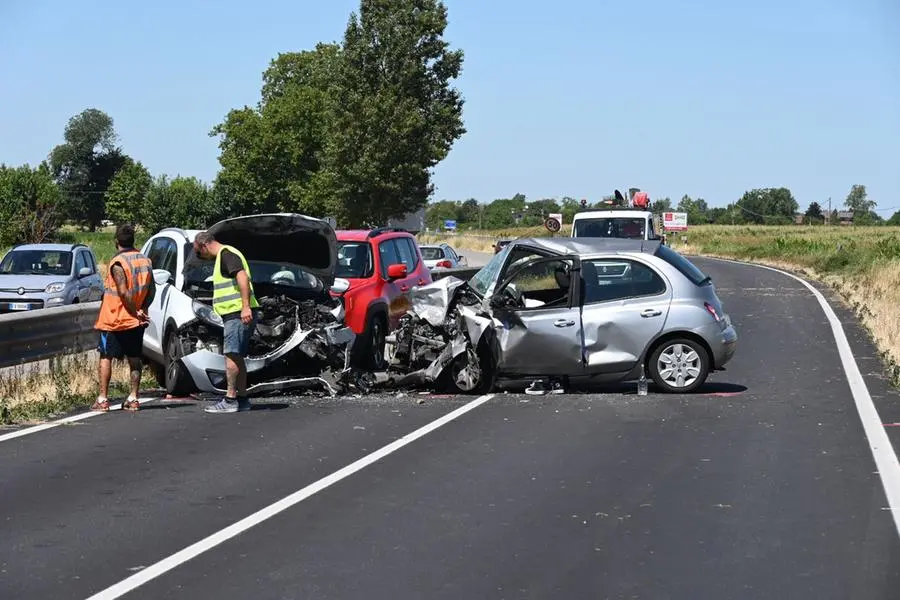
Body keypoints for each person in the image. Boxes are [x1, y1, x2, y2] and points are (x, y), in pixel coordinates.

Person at [192, 231, 259, 413]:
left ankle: (230, 399)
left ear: (204, 245)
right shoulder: (226, 255)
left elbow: (242, 277)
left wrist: (245, 306)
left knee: (231, 355)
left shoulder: (226, 255)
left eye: (199, 253)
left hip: (237, 313)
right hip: (236, 313)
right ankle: (243, 399)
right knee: (237, 357)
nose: (201, 257)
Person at [92, 224, 155, 411]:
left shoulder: (118, 263)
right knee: (134, 358)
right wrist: (142, 309)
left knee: (106, 357)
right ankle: (134, 398)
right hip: (135, 321)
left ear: (116, 241)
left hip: (114, 319)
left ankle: (103, 399)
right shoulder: (145, 261)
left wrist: (135, 310)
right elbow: (151, 290)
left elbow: (122, 291)